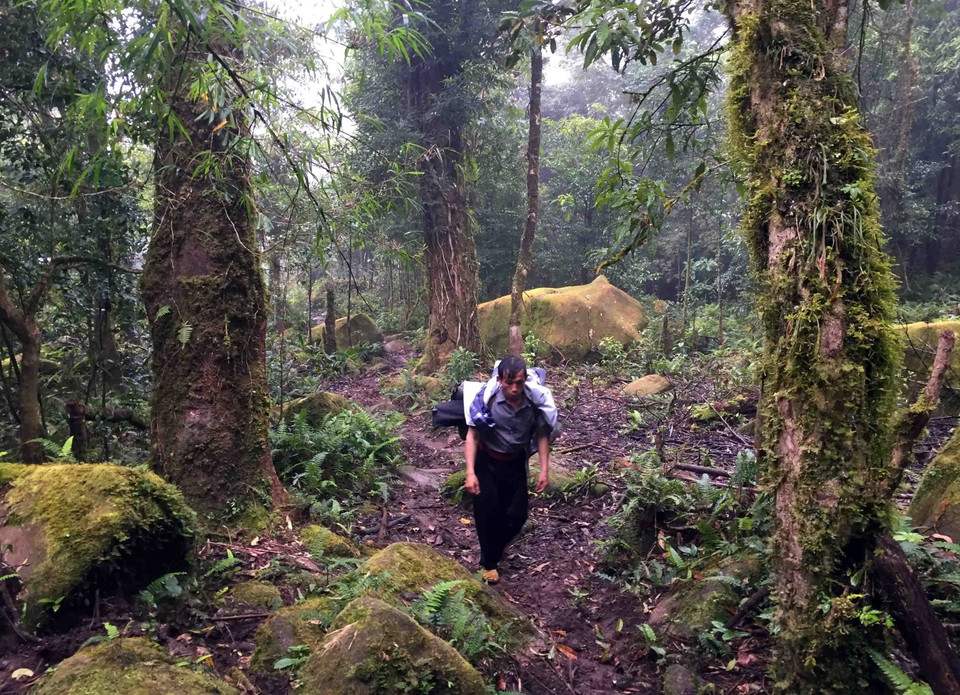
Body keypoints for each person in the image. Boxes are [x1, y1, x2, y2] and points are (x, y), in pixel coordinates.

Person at [464, 355, 552, 585]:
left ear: (525, 381)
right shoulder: (488, 401)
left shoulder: (533, 403)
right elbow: (472, 435)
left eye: (519, 383)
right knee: (487, 512)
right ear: (500, 379)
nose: (514, 388)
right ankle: (489, 562)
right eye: (509, 382)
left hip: (515, 463)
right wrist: (470, 472)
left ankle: (496, 547)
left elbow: (542, 434)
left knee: (518, 515)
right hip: (487, 460)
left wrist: (544, 470)